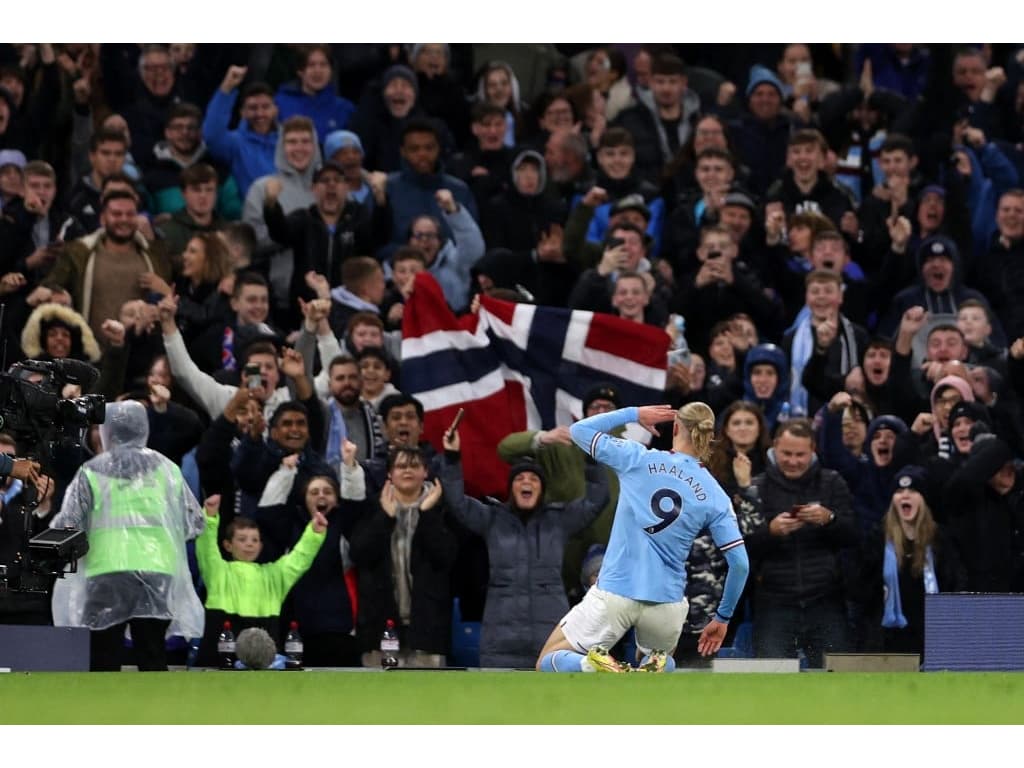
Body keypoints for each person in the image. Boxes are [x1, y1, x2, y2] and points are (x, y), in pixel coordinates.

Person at [536, 401, 749, 673]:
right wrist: (723, 617)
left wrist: (634, 414)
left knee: (547, 659)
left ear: (675, 427)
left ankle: (589, 665)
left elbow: (579, 431)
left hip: (615, 592)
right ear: (710, 435)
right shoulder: (716, 495)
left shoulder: (638, 458)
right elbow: (740, 563)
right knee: (659, 662)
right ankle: (657, 663)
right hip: (667, 602)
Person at [50, 400, 204, 671]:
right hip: (157, 571)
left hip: (106, 572)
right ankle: (157, 712)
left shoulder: (91, 471)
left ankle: (104, 712)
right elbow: (194, 523)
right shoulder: (167, 469)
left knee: (104, 656)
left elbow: (69, 524)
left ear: (107, 430)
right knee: (153, 653)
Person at [441, 422, 608, 669]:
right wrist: (452, 458)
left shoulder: (559, 520)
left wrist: (591, 458)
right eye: (519, 478)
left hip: (550, 637)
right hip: (500, 640)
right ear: (511, 487)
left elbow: (597, 500)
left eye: (533, 478)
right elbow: (456, 502)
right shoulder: (493, 519)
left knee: (553, 704)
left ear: (542, 488)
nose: (526, 482)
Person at [739, 418, 858, 668]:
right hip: (774, 603)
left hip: (826, 600)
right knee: (771, 684)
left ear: (813, 450)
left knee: (839, 681)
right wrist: (770, 532)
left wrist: (830, 519)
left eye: (800, 454)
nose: (793, 461)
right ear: (774, 448)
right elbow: (742, 547)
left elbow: (854, 536)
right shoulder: (757, 488)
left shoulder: (832, 482)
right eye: (786, 454)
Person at [194, 493, 327, 667]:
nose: (249, 544)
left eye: (255, 540)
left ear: (261, 546)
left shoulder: (273, 576)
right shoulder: (218, 571)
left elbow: (298, 560)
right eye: (242, 539)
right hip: (221, 646)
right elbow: (206, 548)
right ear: (228, 545)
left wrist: (314, 534)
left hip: (265, 646)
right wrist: (210, 518)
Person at [860, 465, 964, 656]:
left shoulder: (940, 538)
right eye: (899, 491)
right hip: (888, 635)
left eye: (913, 490)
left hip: (931, 633)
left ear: (924, 499)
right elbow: (864, 588)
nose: (905, 495)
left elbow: (954, 583)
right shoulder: (878, 537)